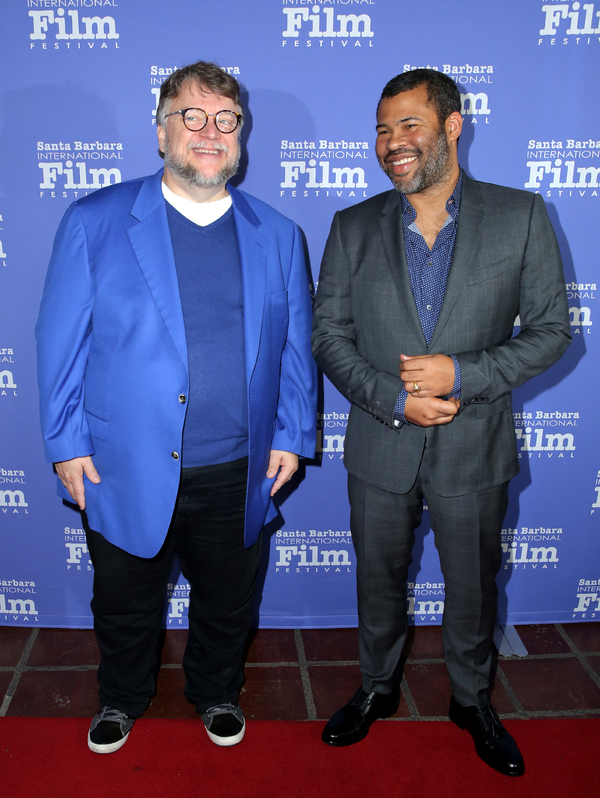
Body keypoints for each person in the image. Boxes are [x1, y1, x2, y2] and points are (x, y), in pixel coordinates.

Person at [36, 61, 316, 754]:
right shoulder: (94, 222)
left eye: (226, 120)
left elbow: (295, 348)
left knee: (228, 601)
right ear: (161, 131)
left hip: (240, 466)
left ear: (241, 138)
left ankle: (216, 690)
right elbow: (59, 340)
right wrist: (65, 442)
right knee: (124, 602)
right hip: (123, 464)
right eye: (191, 116)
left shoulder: (278, 234)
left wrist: (291, 430)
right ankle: (122, 697)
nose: (209, 132)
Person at [312, 68, 571, 777]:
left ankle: (471, 699)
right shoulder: (352, 226)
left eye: (408, 125)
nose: (391, 142)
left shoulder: (521, 215)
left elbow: (551, 331)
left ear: (452, 126)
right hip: (378, 444)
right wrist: (396, 399)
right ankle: (375, 687)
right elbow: (329, 337)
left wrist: (464, 373)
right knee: (378, 579)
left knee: (474, 583)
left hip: (475, 446)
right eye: (382, 128)